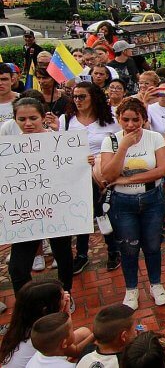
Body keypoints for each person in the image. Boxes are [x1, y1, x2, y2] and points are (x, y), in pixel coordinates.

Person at [100, 98, 165, 311]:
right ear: (118, 119)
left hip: (152, 200)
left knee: (152, 244)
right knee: (128, 247)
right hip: (123, 203)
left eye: (135, 120)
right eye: (126, 120)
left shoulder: (155, 138)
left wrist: (127, 179)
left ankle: (156, 284)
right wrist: (123, 147)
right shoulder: (111, 141)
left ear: (144, 119)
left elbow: (162, 170)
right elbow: (108, 174)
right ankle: (131, 288)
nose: (131, 125)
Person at [7, 99, 75, 295]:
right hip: (25, 212)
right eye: (22, 119)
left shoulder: (60, 141)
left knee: (62, 255)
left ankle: (65, 293)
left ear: (43, 117)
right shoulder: (9, 148)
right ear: (15, 120)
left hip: (57, 208)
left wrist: (83, 160)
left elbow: (72, 172)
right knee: (18, 267)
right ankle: (26, 306)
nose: (28, 123)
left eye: (33, 118)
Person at [57, 82, 121, 273]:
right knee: (80, 215)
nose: (78, 100)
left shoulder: (110, 120)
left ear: (94, 97)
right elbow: (60, 147)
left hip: (101, 177)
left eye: (82, 96)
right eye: (75, 97)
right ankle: (82, 254)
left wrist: (102, 158)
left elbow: (118, 146)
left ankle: (113, 250)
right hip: (75, 176)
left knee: (103, 213)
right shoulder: (66, 120)